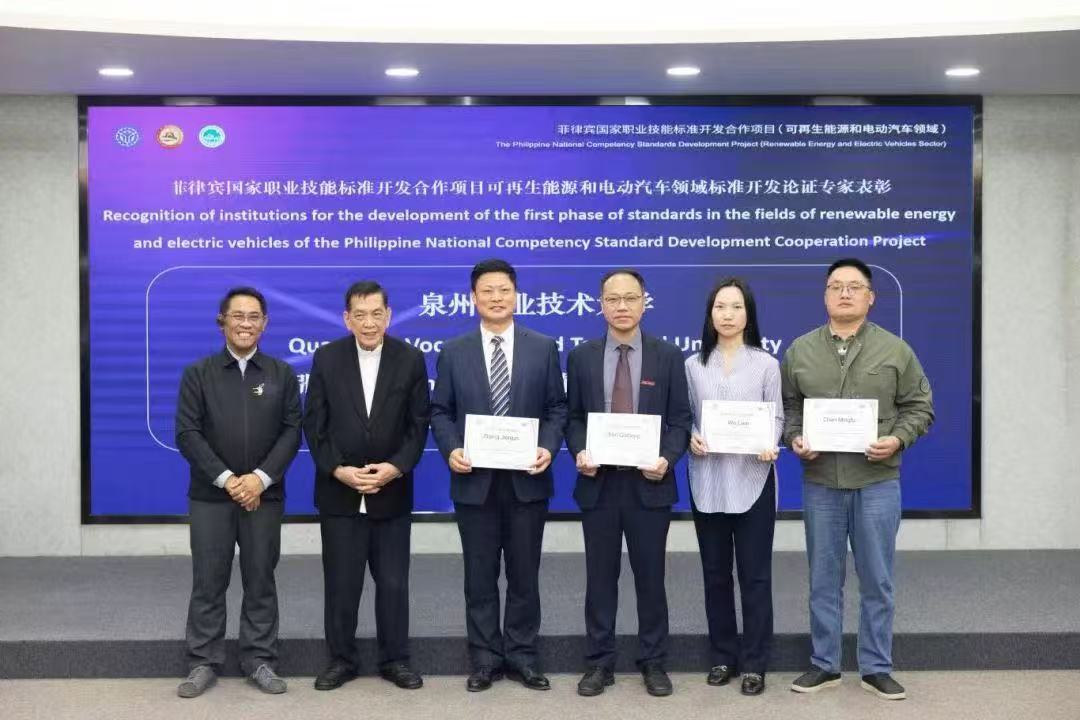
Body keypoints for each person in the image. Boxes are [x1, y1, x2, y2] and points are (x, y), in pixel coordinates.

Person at [782, 258, 934, 701]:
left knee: (877, 580)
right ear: (825, 295)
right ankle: (824, 665)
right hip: (821, 483)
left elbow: (920, 407)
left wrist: (898, 439)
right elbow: (789, 408)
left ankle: (876, 667)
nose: (844, 293)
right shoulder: (800, 351)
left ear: (870, 297)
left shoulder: (896, 350)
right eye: (836, 286)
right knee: (823, 579)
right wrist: (795, 437)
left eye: (854, 286)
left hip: (877, 482)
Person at [430, 259, 567, 692]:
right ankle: (485, 659)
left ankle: (523, 656)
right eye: (487, 291)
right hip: (475, 483)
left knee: (525, 575)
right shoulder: (454, 351)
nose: (496, 298)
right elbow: (440, 410)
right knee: (480, 577)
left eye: (504, 290)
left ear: (516, 295)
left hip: (528, 481)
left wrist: (548, 447)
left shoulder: (543, 347)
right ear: (473, 298)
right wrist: (452, 448)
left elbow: (557, 408)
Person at [566, 268, 691, 698]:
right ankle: (599, 663)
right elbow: (573, 418)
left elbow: (680, 420)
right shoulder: (581, 357)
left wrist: (667, 458)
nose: (622, 306)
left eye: (630, 298)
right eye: (613, 299)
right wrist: (579, 450)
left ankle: (653, 662)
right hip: (599, 483)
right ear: (601, 304)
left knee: (651, 579)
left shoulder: (667, 356)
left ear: (644, 303)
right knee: (599, 580)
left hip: (649, 485)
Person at [174, 286, 301, 698]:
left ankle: (260, 659)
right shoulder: (198, 374)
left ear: (264, 324)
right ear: (222, 322)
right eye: (238, 316)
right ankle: (202, 661)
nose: (246, 324)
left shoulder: (281, 374)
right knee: (208, 580)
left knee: (260, 578)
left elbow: (292, 432)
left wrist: (259, 479)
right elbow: (187, 433)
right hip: (211, 497)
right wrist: (229, 480)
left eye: (254, 317)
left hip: (264, 496)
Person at [303, 281, 430, 691]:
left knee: (393, 584)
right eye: (360, 315)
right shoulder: (327, 358)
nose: (369, 322)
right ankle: (341, 660)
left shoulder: (410, 359)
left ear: (388, 316)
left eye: (377, 313)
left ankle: (395, 660)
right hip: (340, 493)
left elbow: (418, 425)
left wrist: (396, 467)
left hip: (391, 491)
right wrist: (337, 469)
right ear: (347, 319)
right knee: (342, 584)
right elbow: (314, 425)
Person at [685, 277, 783, 696]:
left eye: (736, 307)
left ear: (749, 314)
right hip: (707, 480)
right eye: (720, 307)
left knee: (755, 577)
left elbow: (776, 416)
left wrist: (770, 442)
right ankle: (723, 655)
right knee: (715, 575)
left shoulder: (766, 364)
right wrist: (691, 436)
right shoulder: (693, 365)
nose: (728, 315)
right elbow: (686, 415)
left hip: (753, 479)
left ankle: (756, 663)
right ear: (710, 314)